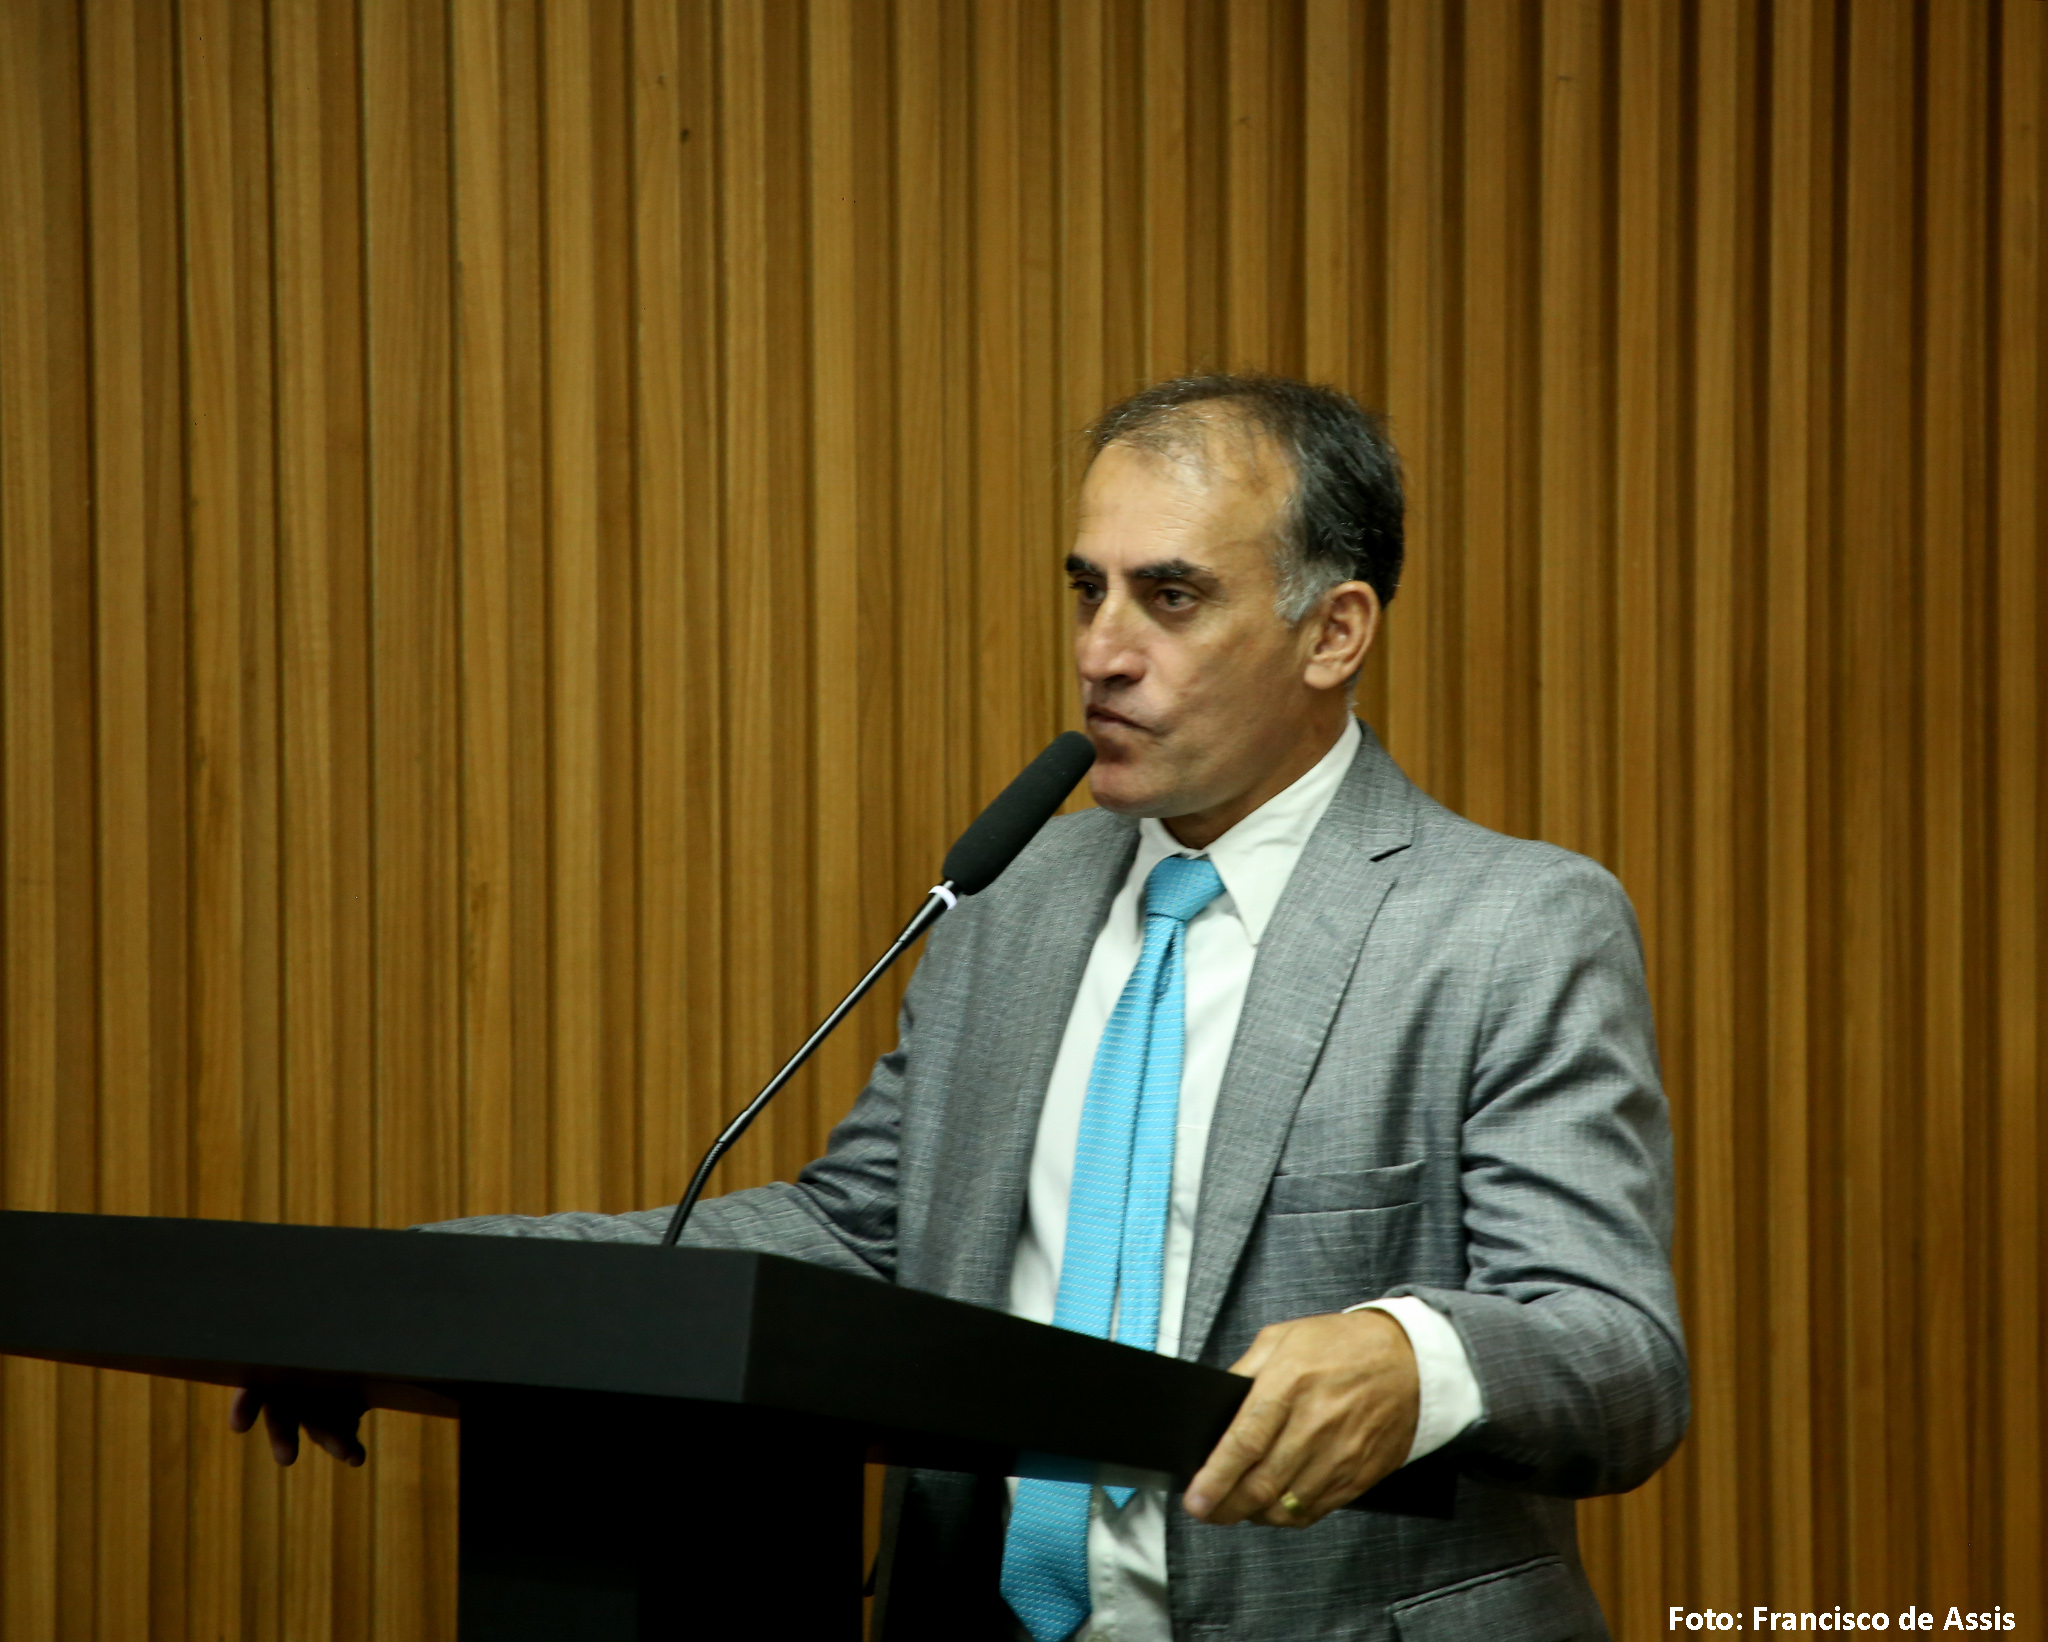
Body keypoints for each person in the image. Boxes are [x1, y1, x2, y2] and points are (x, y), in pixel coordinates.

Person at [235, 374, 1687, 1641]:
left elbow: (1616, 1351)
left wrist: (1412, 1354)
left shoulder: (1507, 924)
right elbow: (863, 1238)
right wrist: (431, 1289)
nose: (1103, 648)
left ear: (1334, 631)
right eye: (1088, 589)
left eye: (1171, 596)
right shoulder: (1017, 895)